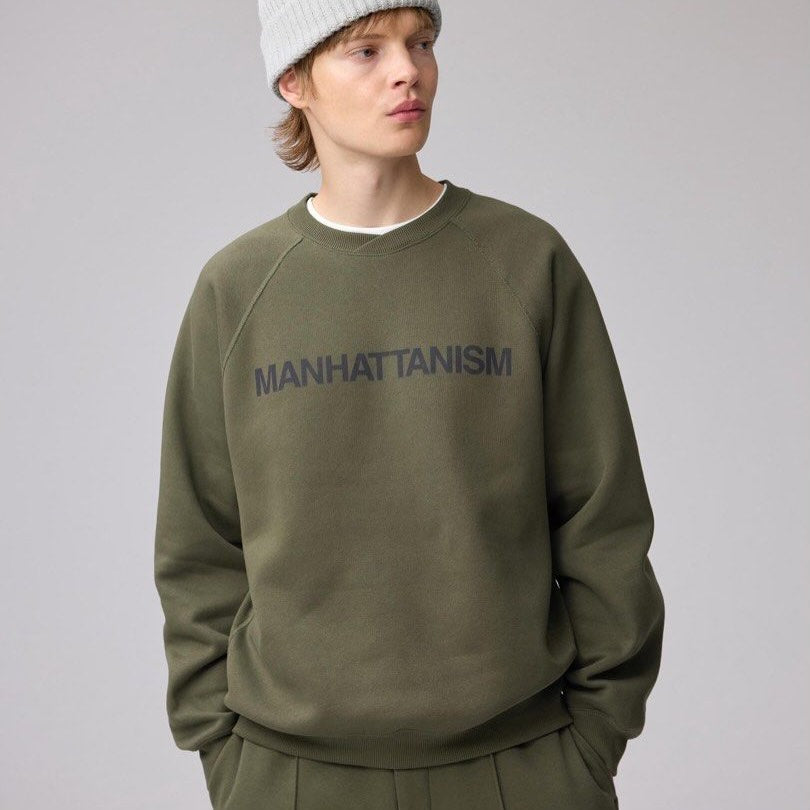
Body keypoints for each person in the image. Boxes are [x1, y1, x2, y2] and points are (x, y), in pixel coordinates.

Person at [153, 2, 666, 808]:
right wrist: (225, 753)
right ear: (294, 82)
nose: (408, 71)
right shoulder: (238, 289)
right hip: (291, 776)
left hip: (522, 764)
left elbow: (604, 518)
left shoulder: (526, 261)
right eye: (366, 50)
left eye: (420, 42)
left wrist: (593, 739)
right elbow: (198, 543)